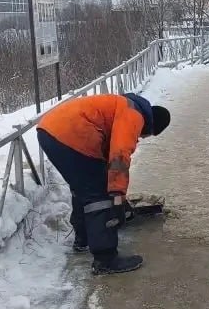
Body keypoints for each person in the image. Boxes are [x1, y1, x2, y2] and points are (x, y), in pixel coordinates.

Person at [37, 93, 171, 275]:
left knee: (83, 187)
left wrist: (122, 203)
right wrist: (116, 195)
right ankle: (105, 258)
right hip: (72, 134)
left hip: (50, 130)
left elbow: (108, 157)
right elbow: (120, 155)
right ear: (150, 125)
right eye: (145, 135)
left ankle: (83, 239)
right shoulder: (134, 115)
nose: (140, 137)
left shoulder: (123, 106)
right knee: (98, 198)